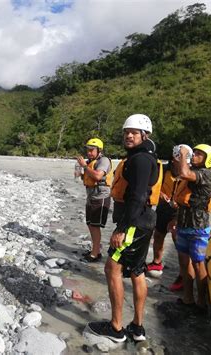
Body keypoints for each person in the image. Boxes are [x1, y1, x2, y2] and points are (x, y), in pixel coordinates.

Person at [86, 114, 162, 343]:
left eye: (134, 132)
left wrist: (122, 229)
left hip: (135, 222)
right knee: (137, 271)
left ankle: (116, 327)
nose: (129, 135)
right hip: (145, 220)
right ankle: (137, 328)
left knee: (112, 268)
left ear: (144, 135)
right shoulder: (146, 156)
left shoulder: (140, 160)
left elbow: (138, 196)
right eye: (126, 131)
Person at [172, 144, 211, 312]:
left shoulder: (208, 175)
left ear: (209, 159)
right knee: (184, 263)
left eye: (199, 154)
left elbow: (184, 173)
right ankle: (188, 298)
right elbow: (179, 172)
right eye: (194, 153)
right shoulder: (195, 171)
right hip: (184, 224)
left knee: (199, 264)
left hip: (198, 227)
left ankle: (202, 301)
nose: (194, 155)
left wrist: (184, 153)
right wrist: (179, 157)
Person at [146, 145, 193, 292]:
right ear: (173, 159)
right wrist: (160, 194)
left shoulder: (191, 174)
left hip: (180, 211)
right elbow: (153, 185)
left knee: (179, 241)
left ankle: (183, 275)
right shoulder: (163, 169)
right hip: (163, 208)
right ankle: (156, 262)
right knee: (158, 234)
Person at [76, 138, 112, 262]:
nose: (89, 153)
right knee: (90, 224)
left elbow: (97, 176)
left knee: (95, 225)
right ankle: (95, 249)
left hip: (101, 197)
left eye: (92, 150)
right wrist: (81, 174)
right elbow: (88, 178)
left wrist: (85, 166)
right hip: (91, 196)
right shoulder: (89, 162)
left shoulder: (104, 161)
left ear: (99, 150)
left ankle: (95, 253)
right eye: (88, 150)